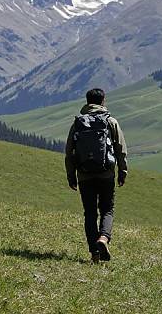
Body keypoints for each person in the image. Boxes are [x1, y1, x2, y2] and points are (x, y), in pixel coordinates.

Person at [65, 88, 128, 263]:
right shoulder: (110, 122)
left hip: (84, 174)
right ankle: (103, 238)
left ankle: (95, 254)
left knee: (90, 213)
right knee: (107, 209)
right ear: (103, 101)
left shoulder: (78, 123)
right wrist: (122, 172)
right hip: (106, 173)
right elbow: (121, 150)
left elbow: (69, 152)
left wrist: (71, 176)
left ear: (87, 102)